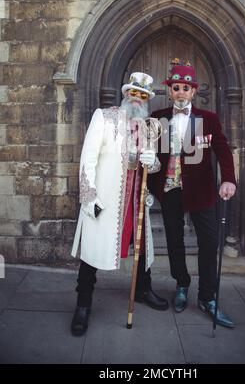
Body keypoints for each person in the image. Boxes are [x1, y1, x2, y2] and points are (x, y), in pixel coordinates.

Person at [71, 72, 168, 336]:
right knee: (93, 250)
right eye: (133, 93)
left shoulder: (148, 126)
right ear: (125, 94)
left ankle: (142, 289)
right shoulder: (103, 117)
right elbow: (87, 159)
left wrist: (153, 161)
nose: (137, 99)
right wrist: (89, 197)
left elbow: (154, 165)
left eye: (143, 95)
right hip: (106, 199)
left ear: (147, 100)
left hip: (136, 199)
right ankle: (83, 304)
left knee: (142, 246)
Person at [147, 61, 237, 328]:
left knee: (209, 243)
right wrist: (149, 183)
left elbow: (222, 149)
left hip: (201, 191)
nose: (181, 92)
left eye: (186, 88)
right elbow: (149, 151)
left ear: (193, 92)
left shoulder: (208, 119)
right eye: (176, 88)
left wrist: (228, 180)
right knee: (174, 241)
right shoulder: (158, 117)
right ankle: (182, 285)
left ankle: (208, 297)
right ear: (170, 90)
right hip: (169, 191)